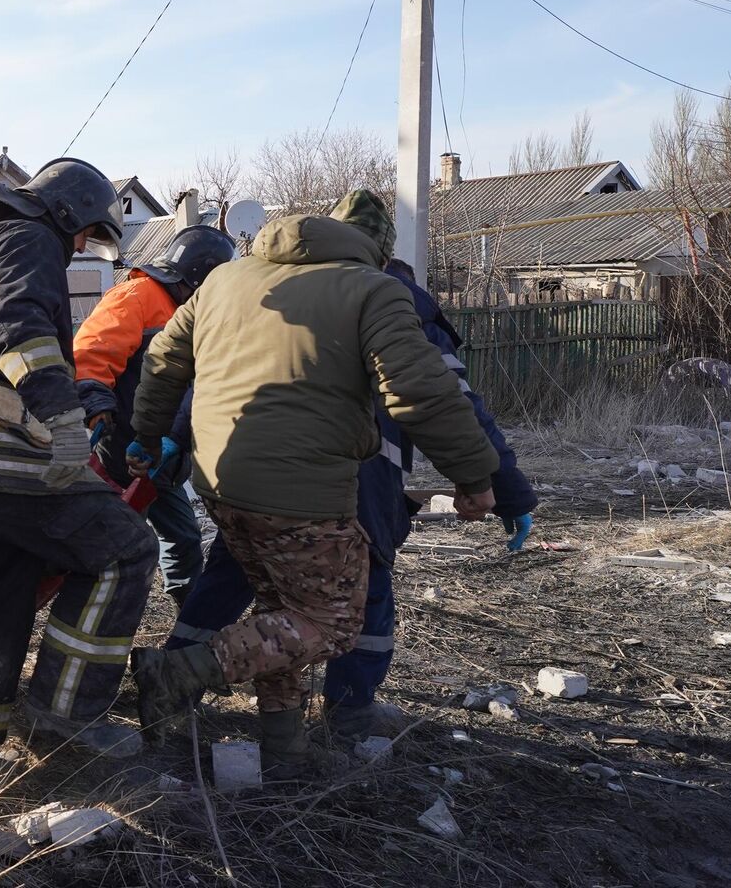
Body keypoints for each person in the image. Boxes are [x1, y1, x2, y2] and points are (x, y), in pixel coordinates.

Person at [128, 190, 501, 779]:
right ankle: (177, 673)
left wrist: (148, 440)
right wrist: (475, 477)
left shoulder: (226, 278)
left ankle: (285, 751)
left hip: (220, 484)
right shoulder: (373, 289)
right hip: (301, 492)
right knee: (330, 623)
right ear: (376, 252)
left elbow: (164, 360)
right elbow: (420, 390)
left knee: (282, 614)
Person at [165, 255, 538, 738]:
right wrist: (507, 493)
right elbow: (453, 409)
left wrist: (169, 436)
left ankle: (181, 686)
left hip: (245, 479)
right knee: (360, 598)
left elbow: (202, 375)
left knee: (233, 573)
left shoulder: (279, 297)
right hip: (349, 483)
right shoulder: (401, 309)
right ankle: (348, 708)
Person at [0, 157, 159, 786]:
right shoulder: (28, 238)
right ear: (64, 212)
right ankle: (62, 717)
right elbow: (20, 328)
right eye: (82, 234)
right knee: (125, 549)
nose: (77, 249)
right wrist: (63, 416)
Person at [72, 223, 237, 605]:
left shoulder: (194, 312)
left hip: (164, 451)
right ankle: (89, 604)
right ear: (202, 276)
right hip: (126, 447)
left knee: (182, 538)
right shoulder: (137, 296)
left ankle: (187, 615)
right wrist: (97, 408)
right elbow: (91, 355)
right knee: (114, 540)